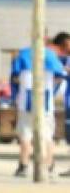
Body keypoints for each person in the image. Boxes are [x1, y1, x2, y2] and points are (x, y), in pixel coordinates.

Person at [10, 40, 67, 178]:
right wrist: (52, 88)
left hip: (26, 99)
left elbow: (14, 77)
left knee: (25, 134)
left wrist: (17, 92)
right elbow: (61, 76)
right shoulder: (51, 56)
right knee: (47, 134)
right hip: (45, 99)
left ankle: (23, 165)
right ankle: (49, 165)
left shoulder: (23, 54)